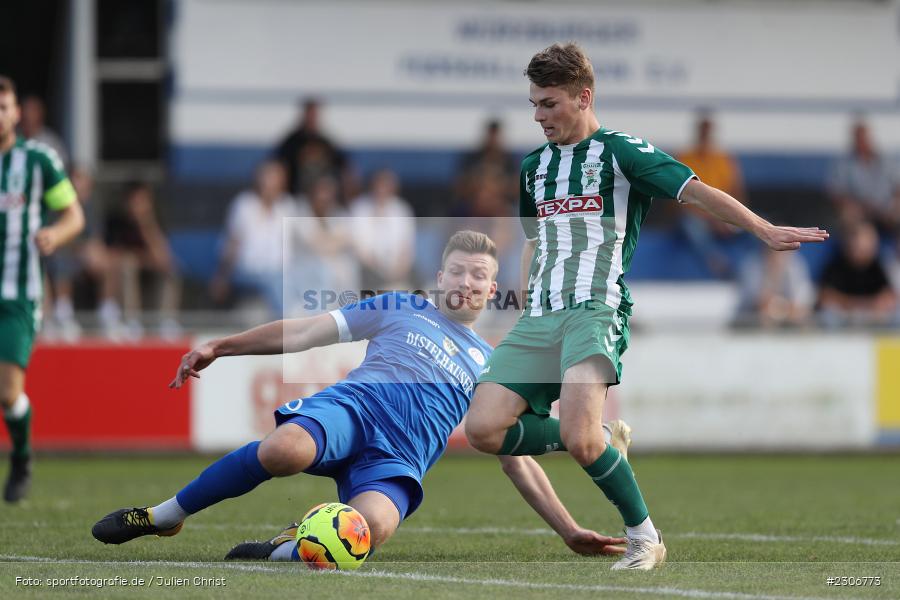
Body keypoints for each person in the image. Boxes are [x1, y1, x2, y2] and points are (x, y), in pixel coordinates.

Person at [464, 43, 829, 570]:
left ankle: (644, 538)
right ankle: (603, 440)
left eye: (549, 104)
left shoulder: (621, 152)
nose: (539, 116)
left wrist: (762, 229)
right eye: (534, 105)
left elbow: (697, 193)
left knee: (578, 438)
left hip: (595, 307)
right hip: (540, 314)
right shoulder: (532, 168)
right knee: (484, 430)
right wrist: (522, 306)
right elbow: (534, 241)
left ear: (583, 96)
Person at [91, 231, 629, 560]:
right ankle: (164, 516)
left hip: (400, 458)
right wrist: (222, 346)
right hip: (354, 411)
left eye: (480, 275)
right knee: (284, 450)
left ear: (493, 290)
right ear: (440, 275)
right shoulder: (399, 305)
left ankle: (286, 548)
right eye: (458, 270)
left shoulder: (495, 363)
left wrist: (568, 529)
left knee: (368, 531)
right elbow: (303, 332)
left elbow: (515, 459)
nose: (466, 280)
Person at [0, 76, 85, 502]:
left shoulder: (38, 160)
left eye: (4, 107)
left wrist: (56, 235)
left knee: (7, 392)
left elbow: (74, 215)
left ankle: (22, 455)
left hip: (18, 294)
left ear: (16, 113)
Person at [210, 160, 298, 318]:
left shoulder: (288, 205)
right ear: (259, 180)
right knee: (274, 281)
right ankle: (286, 323)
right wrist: (222, 276)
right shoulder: (244, 204)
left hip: (281, 274)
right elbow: (232, 243)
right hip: (247, 272)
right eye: (268, 178)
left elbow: (296, 245)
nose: (271, 184)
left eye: (277, 179)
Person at [103, 182, 182, 339]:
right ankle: (131, 320)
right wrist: (137, 257)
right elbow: (111, 254)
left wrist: (146, 224)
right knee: (128, 264)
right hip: (124, 270)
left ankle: (166, 321)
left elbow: (162, 256)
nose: (139, 206)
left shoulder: (154, 220)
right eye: (135, 201)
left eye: (143, 201)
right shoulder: (115, 220)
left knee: (173, 268)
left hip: (148, 266)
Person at [675, 112, 747, 277]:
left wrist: (727, 217)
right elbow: (678, 199)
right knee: (691, 226)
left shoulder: (724, 159)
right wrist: (711, 218)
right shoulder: (685, 158)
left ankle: (748, 266)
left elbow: (737, 192)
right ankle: (715, 262)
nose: (705, 135)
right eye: (702, 131)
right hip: (697, 216)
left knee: (751, 225)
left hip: (722, 215)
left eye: (708, 131)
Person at [817, 219, 898, 327]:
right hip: (841, 326)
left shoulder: (881, 265)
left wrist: (854, 305)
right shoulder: (835, 265)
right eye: (856, 239)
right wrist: (864, 306)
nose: (860, 246)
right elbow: (826, 298)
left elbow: (889, 299)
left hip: (875, 325)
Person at [828, 119, 900, 238]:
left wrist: (894, 205)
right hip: (859, 210)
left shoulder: (887, 161)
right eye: (858, 138)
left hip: (885, 210)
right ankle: (855, 252)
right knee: (848, 215)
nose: (862, 142)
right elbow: (836, 192)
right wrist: (855, 206)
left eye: (865, 137)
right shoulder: (843, 164)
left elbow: (897, 187)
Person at [273, 98, 355, 199]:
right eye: (310, 114)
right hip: (297, 196)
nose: (312, 118)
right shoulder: (291, 143)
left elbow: (342, 162)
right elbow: (280, 164)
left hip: (323, 195)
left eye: (315, 115)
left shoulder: (325, 142)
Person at [348, 168, 415, 291]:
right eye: (379, 185)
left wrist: (398, 271)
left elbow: (407, 248)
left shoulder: (402, 209)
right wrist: (379, 270)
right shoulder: (359, 207)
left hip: (397, 271)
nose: (382, 189)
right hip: (367, 271)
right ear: (372, 186)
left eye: (386, 185)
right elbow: (358, 247)